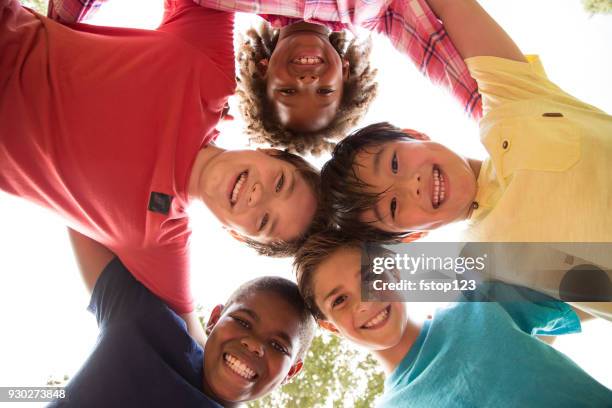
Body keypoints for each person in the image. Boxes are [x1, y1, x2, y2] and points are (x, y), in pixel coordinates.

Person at [0, 0, 319, 343]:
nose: (258, 197)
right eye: (279, 183)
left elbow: (191, 341)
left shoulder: (160, 239)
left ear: (238, 235)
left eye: (263, 221)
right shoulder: (207, 70)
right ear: (270, 152)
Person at [318, 0, 612, 317]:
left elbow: (455, 7)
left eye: (394, 164)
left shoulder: (509, 99)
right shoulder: (479, 268)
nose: (411, 187)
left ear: (415, 135)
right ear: (415, 235)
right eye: (393, 206)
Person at [50, 0, 483, 155]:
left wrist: (52, 45)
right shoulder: (380, 10)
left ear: (263, 71)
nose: (306, 78)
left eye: (288, 91)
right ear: (346, 72)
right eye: (324, 90)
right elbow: (474, 85)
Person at [293, 230, 612, 407]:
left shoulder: (477, 303)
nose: (365, 302)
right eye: (340, 300)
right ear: (329, 325)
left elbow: (593, 292)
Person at [48, 229, 315, 407]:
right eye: (243, 322)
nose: (255, 344)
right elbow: (79, 210)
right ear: (214, 319)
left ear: (291, 372)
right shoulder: (144, 321)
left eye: (279, 346)